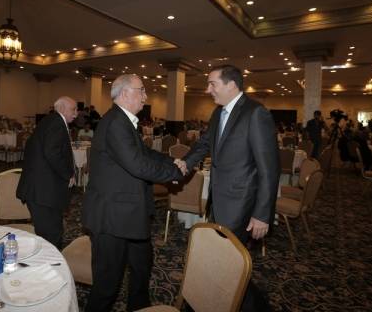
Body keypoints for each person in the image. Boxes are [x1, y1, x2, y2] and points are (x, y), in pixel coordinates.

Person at [180, 65, 279, 312]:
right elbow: (204, 144)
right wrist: (185, 163)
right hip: (219, 200)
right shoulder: (218, 112)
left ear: (231, 85)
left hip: (241, 204)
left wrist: (262, 214)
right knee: (225, 260)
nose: (207, 89)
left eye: (212, 84)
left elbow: (269, 169)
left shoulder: (255, 113)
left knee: (229, 262)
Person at [82, 74, 184, 312]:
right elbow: (138, 165)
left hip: (128, 211)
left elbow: (144, 154)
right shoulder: (116, 122)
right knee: (107, 284)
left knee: (141, 265)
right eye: (142, 90)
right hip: (111, 216)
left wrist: (172, 161)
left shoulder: (124, 121)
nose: (145, 97)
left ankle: (138, 307)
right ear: (125, 93)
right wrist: (175, 172)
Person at [16, 96, 78, 249]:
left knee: (51, 232)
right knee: (51, 235)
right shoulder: (56, 123)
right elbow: (52, 153)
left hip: (43, 189)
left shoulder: (50, 121)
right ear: (62, 109)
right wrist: (68, 174)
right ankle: (50, 263)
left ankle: (50, 261)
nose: (76, 113)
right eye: (73, 109)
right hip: (42, 191)